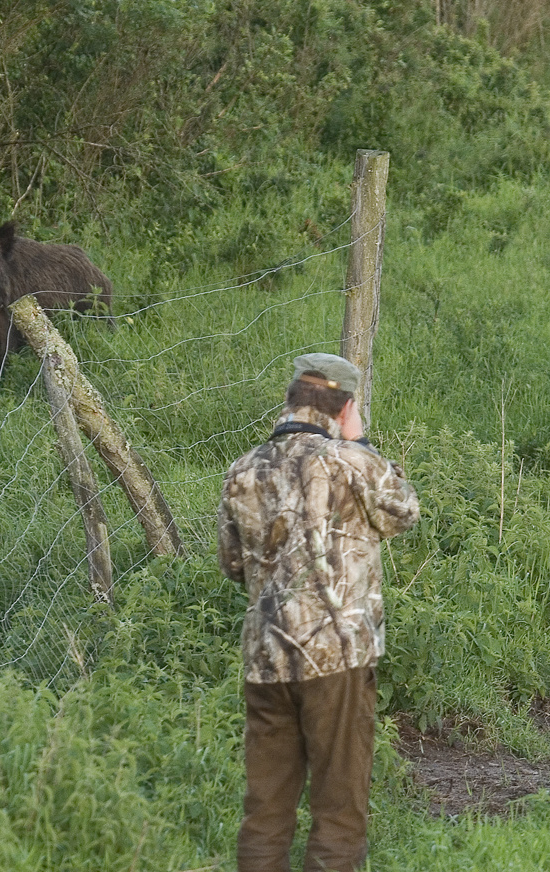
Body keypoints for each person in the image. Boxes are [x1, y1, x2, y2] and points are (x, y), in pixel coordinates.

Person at [217, 354, 420, 872]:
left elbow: (233, 564)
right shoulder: (349, 461)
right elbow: (403, 511)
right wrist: (359, 441)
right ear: (345, 407)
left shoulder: (244, 470)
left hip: (266, 659)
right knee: (338, 809)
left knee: (265, 809)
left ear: (290, 402)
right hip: (337, 658)